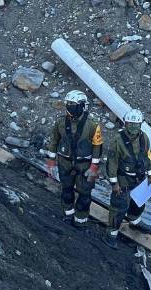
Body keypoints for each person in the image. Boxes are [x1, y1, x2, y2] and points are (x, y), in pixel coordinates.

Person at [45, 90, 103, 228]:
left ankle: (80, 220)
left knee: (85, 195)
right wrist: (51, 161)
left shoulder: (93, 125)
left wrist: (94, 166)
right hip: (64, 162)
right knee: (66, 190)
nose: (70, 107)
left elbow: (98, 146)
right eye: (69, 104)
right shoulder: (60, 122)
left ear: (83, 106)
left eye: (74, 104)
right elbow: (54, 141)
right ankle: (68, 214)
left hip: (85, 165)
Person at [104, 109, 151, 249]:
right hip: (123, 180)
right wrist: (114, 184)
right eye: (131, 124)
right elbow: (112, 163)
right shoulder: (117, 140)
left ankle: (135, 221)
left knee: (139, 203)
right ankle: (111, 234)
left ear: (141, 124)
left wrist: (150, 174)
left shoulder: (144, 138)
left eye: (136, 124)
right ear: (125, 124)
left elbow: (148, 156)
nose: (133, 127)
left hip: (140, 177)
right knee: (119, 208)